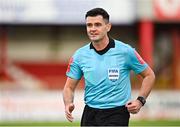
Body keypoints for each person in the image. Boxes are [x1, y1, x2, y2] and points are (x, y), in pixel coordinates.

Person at [63, 7, 155, 126]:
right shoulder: (79, 55)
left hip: (117, 113)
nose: (92, 29)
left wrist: (140, 101)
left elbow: (149, 75)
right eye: (89, 25)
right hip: (90, 114)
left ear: (108, 27)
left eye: (97, 25)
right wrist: (68, 103)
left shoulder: (125, 51)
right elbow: (69, 87)